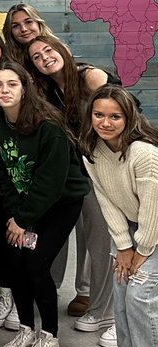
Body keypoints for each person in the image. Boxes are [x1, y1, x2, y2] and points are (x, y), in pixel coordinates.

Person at [0, 62, 89, 347]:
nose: (4, 90)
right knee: (15, 261)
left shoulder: (49, 126)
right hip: (22, 203)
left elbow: (50, 184)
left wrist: (22, 220)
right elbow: (3, 169)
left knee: (36, 266)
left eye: (11, 84)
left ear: (25, 86)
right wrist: (14, 212)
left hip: (60, 203)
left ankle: (50, 336)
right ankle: (26, 328)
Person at [24, 32, 114, 331]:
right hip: (73, 170)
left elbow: (121, 114)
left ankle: (103, 309)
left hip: (103, 167)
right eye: (36, 57)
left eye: (48, 50)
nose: (44, 58)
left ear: (61, 48)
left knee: (100, 239)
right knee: (57, 230)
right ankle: (48, 289)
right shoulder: (47, 91)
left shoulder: (90, 77)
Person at [81, 86, 158, 347]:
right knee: (123, 299)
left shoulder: (144, 153)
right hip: (129, 228)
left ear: (130, 118)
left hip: (152, 228)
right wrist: (123, 246)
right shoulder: (93, 150)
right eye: (99, 115)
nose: (106, 122)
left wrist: (139, 250)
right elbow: (107, 201)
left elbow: (153, 208)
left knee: (142, 297)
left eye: (115, 116)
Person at [5, 2, 52, 66]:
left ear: (38, 23)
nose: (23, 29)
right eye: (16, 26)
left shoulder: (58, 50)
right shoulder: (6, 60)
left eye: (28, 22)